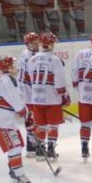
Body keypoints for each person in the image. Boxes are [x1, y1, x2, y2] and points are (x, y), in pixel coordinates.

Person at [0, 56, 32, 183]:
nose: (15, 67)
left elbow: (19, 100)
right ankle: (19, 174)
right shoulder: (6, 81)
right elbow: (16, 102)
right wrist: (24, 112)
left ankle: (13, 169)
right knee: (15, 146)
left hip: (6, 121)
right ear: (8, 68)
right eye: (13, 65)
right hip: (0, 122)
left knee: (18, 145)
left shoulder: (11, 80)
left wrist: (26, 112)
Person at [28, 32, 69, 161]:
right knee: (53, 125)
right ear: (50, 44)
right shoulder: (56, 60)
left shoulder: (32, 59)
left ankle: (40, 151)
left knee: (40, 125)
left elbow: (31, 78)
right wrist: (63, 95)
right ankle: (51, 150)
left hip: (36, 98)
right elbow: (59, 80)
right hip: (52, 98)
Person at [72, 31, 92, 162]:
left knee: (85, 124)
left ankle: (84, 149)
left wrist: (77, 89)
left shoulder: (81, 54)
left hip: (84, 96)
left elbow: (74, 72)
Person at [17, 32, 39, 158]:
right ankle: (32, 146)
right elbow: (30, 76)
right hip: (28, 92)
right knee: (32, 118)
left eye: (37, 42)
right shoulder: (28, 56)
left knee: (32, 118)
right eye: (34, 43)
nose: (36, 44)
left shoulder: (30, 54)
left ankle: (32, 146)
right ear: (28, 44)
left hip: (28, 91)